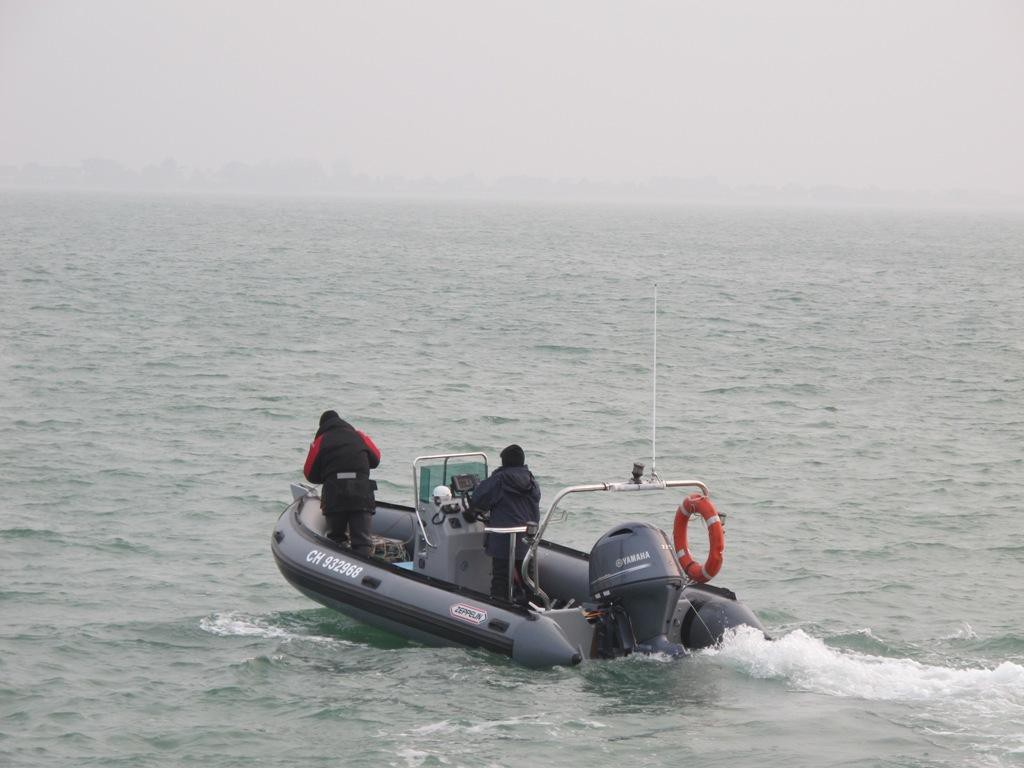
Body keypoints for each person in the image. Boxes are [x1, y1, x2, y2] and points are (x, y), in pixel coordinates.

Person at [303, 410, 381, 557]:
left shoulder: (321, 441)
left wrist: (328, 475)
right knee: (362, 542)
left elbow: (309, 473)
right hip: (362, 494)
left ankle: (336, 570)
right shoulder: (359, 436)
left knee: (336, 539)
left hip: (334, 495)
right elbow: (376, 458)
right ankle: (362, 572)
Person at [470, 444, 541, 602]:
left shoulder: (499, 480)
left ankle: (498, 609)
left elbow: (478, 499)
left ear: (504, 463)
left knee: (501, 578)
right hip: (526, 539)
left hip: (503, 540)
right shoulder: (532, 481)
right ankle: (533, 608)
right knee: (528, 579)